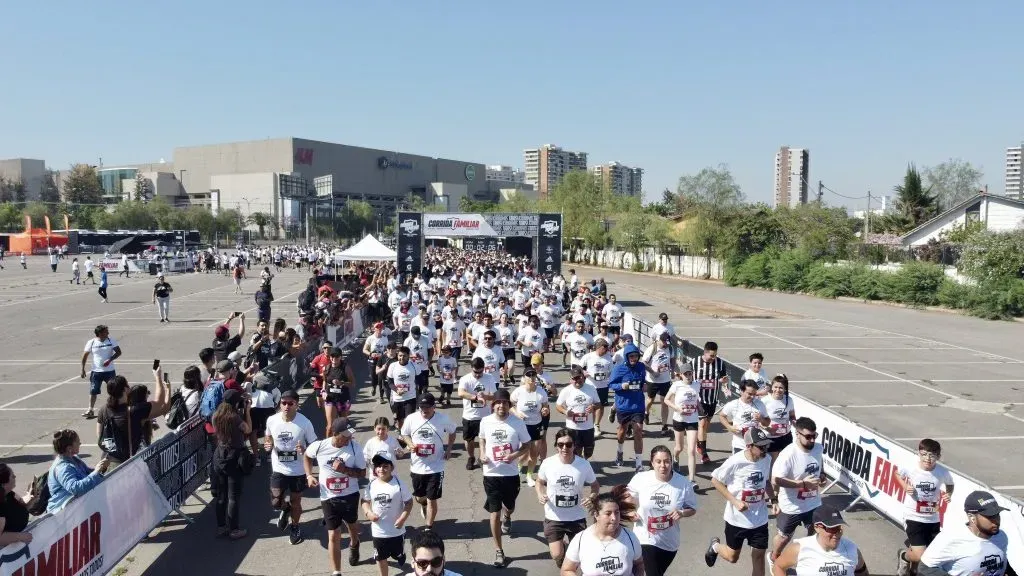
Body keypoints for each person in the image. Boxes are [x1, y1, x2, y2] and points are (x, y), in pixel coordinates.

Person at [704, 428, 775, 574]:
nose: (765, 449)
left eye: (766, 446)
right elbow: (715, 480)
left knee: (759, 556)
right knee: (732, 557)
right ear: (749, 446)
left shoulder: (766, 459)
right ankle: (715, 547)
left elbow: (766, 481)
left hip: (759, 519)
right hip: (737, 520)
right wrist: (735, 501)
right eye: (761, 447)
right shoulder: (735, 461)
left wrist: (774, 500)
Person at [304, 417, 367, 571]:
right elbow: (306, 456)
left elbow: (362, 473)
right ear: (334, 433)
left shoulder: (355, 448)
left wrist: (344, 469)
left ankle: (355, 543)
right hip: (328, 497)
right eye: (345, 435)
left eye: (350, 435)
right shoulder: (319, 446)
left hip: (349, 495)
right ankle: (336, 572)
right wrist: (309, 475)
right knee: (333, 534)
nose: (349, 438)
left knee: (353, 527)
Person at [625, 445, 697, 576]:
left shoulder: (682, 483)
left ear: (671, 462)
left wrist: (681, 513)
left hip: (669, 542)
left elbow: (692, 508)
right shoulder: (641, 478)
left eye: (667, 461)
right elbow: (625, 496)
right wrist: (629, 511)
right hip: (644, 537)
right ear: (652, 463)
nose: (663, 465)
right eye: (658, 462)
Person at [479, 388, 532, 567]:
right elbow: (482, 439)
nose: (501, 406)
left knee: (509, 506)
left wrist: (514, 455)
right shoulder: (485, 421)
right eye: (498, 403)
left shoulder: (517, 423)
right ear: (493, 405)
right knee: (494, 513)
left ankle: (508, 515)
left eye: (505, 403)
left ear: (509, 405)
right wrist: (482, 455)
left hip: (510, 474)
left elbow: (527, 445)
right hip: (491, 474)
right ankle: (499, 551)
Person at [536, 428, 600, 569]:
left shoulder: (583, 465)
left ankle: (567, 569)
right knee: (557, 555)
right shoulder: (548, 463)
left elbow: (595, 485)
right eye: (560, 445)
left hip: (576, 516)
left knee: (578, 556)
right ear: (556, 446)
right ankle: (563, 554)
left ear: (574, 445)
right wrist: (540, 494)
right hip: (554, 516)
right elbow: (539, 482)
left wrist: (592, 497)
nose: (564, 448)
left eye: (568, 444)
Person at [265, 389, 318, 545]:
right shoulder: (272, 420)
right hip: (279, 467)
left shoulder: (305, 423)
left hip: (298, 470)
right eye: (283, 403)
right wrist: (268, 444)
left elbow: (314, 444)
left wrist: (305, 450)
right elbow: (268, 436)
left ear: (297, 405)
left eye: (290, 403)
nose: (286, 406)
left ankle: (295, 526)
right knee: (275, 501)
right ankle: (285, 508)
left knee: (296, 501)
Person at [894, 438, 954, 576]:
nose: (928, 458)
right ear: (919, 454)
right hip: (913, 516)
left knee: (930, 556)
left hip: (933, 518)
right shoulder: (910, 467)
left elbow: (950, 484)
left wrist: (948, 494)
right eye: (924, 454)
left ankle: (914, 568)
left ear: (938, 457)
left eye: (932, 455)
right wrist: (905, 486)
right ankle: (904, 556)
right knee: (921, 556)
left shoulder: (942, 472)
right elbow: (897, 474)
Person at [770, 416, 825, 562]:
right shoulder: (788, 454)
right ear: (797, 434)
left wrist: (823, 475)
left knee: (816, 532)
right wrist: (801, 484)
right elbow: (775, 479)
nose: (812, 440)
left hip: (813, 502)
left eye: (814, 436)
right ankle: (774, 556)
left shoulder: (818, 448)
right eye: (808, 437)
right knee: (783, 538)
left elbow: (819, 464)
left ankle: (808, 557)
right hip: (791, 506)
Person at [918, 490, 1009, 576]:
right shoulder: (951, 537)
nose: (996, 520)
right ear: (971, 517)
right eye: (990, 516)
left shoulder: (1001, 536)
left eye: (997, 514)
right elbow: (924, 569)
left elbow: (1002, 562)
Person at [399, 393, 456, 531]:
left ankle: (428, 528)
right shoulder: (412, 418)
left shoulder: (443, 419)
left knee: (432, 498)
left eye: (427, 407)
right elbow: (404, 433)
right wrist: (410, 443)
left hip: (436, 466)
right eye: (421, 407)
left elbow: (453, 431)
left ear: (434, 407)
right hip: (417, 466)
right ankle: (423, 505)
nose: (424, 410)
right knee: (420, 497)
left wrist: (448, 449)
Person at [562, 487, 644, 576]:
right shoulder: (581, 539)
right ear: (596, 515)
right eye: (608, 513)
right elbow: (567, 570)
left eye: (616, 512)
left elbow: (639, 564)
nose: (614, 518)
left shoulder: (630, 537)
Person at [96, 372, 170, 468]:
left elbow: (99, 434)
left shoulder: (103, 410)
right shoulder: (134, 410)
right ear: (125, 389)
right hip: (129, 464)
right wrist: (158, 377)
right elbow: (160, 403)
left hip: (109, 461)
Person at [772, 505, 868, 576]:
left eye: (839, 528)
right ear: (817, 527)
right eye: (831, 528)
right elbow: (778, 566)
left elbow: (862, 572)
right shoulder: (800, 548)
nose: (837, 534)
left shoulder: (852, 549)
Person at [362, 454, 413, 576]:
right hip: (378, 531)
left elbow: (409, 502)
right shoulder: (371, 485)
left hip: (396, 530)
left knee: (398, 555)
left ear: (391, 467)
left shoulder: (399, 484)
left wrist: (402, 518)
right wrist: (368, 513)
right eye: (378, 466)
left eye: (385, 466)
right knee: (380, 558)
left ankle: (400, 553)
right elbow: (365, 501)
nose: (381, 469)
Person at [211, 389, 252, 540]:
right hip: (234, 457)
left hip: (219, 456)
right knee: (233, 496)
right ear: (236, 402)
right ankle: (234, 529)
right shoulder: (235, 417)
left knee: (221, 496)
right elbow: (248, 429)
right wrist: (247, 411)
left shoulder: (216, 415)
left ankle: (221, 527)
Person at [608, 342, 650, 472]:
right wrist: (621, 386)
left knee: (638, 430)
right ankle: (619, 451)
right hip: (624, 405)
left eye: (636, 356)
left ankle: (638, 463)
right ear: (626, 357)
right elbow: (611, 384)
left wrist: (645, 386)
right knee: (622, 431)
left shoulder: (641, 367)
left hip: (638, 405)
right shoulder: (618, 369)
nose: (634, 359)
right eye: (631, 356)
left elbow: (643, 382)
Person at [46, 429, 110, 513]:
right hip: (63, 514)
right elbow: (76, 489)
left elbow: (86, 473)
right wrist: (96, 472)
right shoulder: (63, 468)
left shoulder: (74, 458)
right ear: (69, 448)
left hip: (76, 510)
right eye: (77, 442)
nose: (80, 443)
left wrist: (101, 468)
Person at [457, 357, 498, 470]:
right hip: (469, 415)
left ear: (483, 369)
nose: (478, 375)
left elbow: (495, 396)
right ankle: (471, 457)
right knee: (469, 440)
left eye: (480, 372)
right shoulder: (465, 379)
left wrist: (486, 396)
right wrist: (475, 397)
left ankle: (482, 457)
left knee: (483, 439)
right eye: (475, 372)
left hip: (485, 416)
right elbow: (461, 393)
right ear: (471, 368)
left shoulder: (489, 378)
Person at [511, 368, 550, 485]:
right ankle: (518, 467)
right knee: (523, 452)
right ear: (524, 378)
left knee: (534, 453)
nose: (531, 378)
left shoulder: (541, 392)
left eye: (533, 375)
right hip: (522, 426)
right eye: (528, 375)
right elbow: (510, 404)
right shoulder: (518, 392)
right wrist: (516, 412)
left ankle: (529, 476)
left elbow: (545, 407)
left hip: (536, 425)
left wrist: (545, 411)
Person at [664, 368, 701, 486]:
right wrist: (677, 409)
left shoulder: (696, 385)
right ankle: (675, 457)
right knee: (679, 448)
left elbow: (697, 400)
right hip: (679, 419)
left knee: (691, 450)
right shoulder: (676, 385)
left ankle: (692, 479)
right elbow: (666, 400)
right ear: (681, 375)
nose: (688, 376)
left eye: (690, 374)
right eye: (686, 374)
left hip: (692, 420)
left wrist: (700, 408)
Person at [80, 324, 121, 419]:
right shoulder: (91, 342)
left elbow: (118, 352)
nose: (108, 333)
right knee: (93, 391)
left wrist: (110, 360)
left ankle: (115, 408)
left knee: (113, 391)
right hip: (96, 372)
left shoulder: (111, 340)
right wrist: (82, 369)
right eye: (106, 331)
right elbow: (84, 356)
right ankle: (90, 409)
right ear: (100, 333)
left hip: (109, 371)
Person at [321, 347, 356, 437]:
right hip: (330, 399)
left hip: (343, 399)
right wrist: (323, 391)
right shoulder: (326, 368)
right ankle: (328, 446)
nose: (334, 359)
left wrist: (342, 383)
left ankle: (342, 444)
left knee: (342, 426)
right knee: (330, 426)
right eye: (332, 356)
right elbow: (324, 381)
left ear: (340, 357)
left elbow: (353, 384)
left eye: (336, 356)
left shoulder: (345, 368)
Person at [0, 463, 32, 545]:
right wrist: (20, 536)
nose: (15, 477)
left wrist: (31, 497)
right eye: (12, 476)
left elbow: (23, 504)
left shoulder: (10, 493)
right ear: (3, 484)